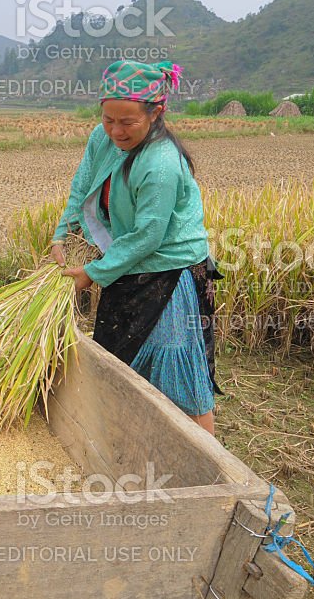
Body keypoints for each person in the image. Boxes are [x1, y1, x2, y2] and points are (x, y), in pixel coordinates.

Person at [50, 60, 222, 435]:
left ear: (157, 112)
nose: (116, 131)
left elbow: (149, 235)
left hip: (169, 270)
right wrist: (62, 234)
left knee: (176, 366)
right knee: (122, 358)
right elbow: (83, 184)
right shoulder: (103, 138)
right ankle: (138, 442)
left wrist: (93, 273)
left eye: (127, 122)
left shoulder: (160, 163)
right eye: (108, 119)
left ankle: (212, 466)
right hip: (127, 261)